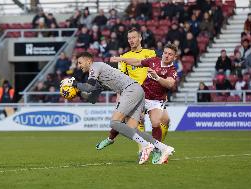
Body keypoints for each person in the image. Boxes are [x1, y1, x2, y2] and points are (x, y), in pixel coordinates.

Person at [60, 52, 175, 164]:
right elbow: (92, 98)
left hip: (130, 90)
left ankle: (146, 146)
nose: (78, 66)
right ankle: (163, 148)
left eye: (80, 63)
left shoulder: (95, 66)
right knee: (131, 129)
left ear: (88, 61)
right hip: (137, 91)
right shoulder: (98, 75)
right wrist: (78, 93)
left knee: (114, 123)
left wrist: (73, 84)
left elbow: (88, 87)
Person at [96, 29, 171, 159]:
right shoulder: (124, 58)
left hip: (152, 93)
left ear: (140, 38)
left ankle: (156, 147)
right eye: (129, 38)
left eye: (133, 37)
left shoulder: (150, 53)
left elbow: (159, 71)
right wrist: (120, 95)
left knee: (164, 121)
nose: (131, 40)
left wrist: (162, 90)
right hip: (134, 93)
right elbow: (121, 77)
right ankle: (113, 140)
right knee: (125, 121)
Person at [108, 44, 178, 163]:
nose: (166, 55)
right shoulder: (153, 61)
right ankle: (110, 138)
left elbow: (170, 84)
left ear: (174, 57)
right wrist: (121, 59)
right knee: (123, 117)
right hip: (142, 96)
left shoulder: (172, 70)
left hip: (156, 101)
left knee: (156, 123)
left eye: (170, 54)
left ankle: (156, 150)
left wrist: (157, 77)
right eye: (165, 53)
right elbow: (137, 62)